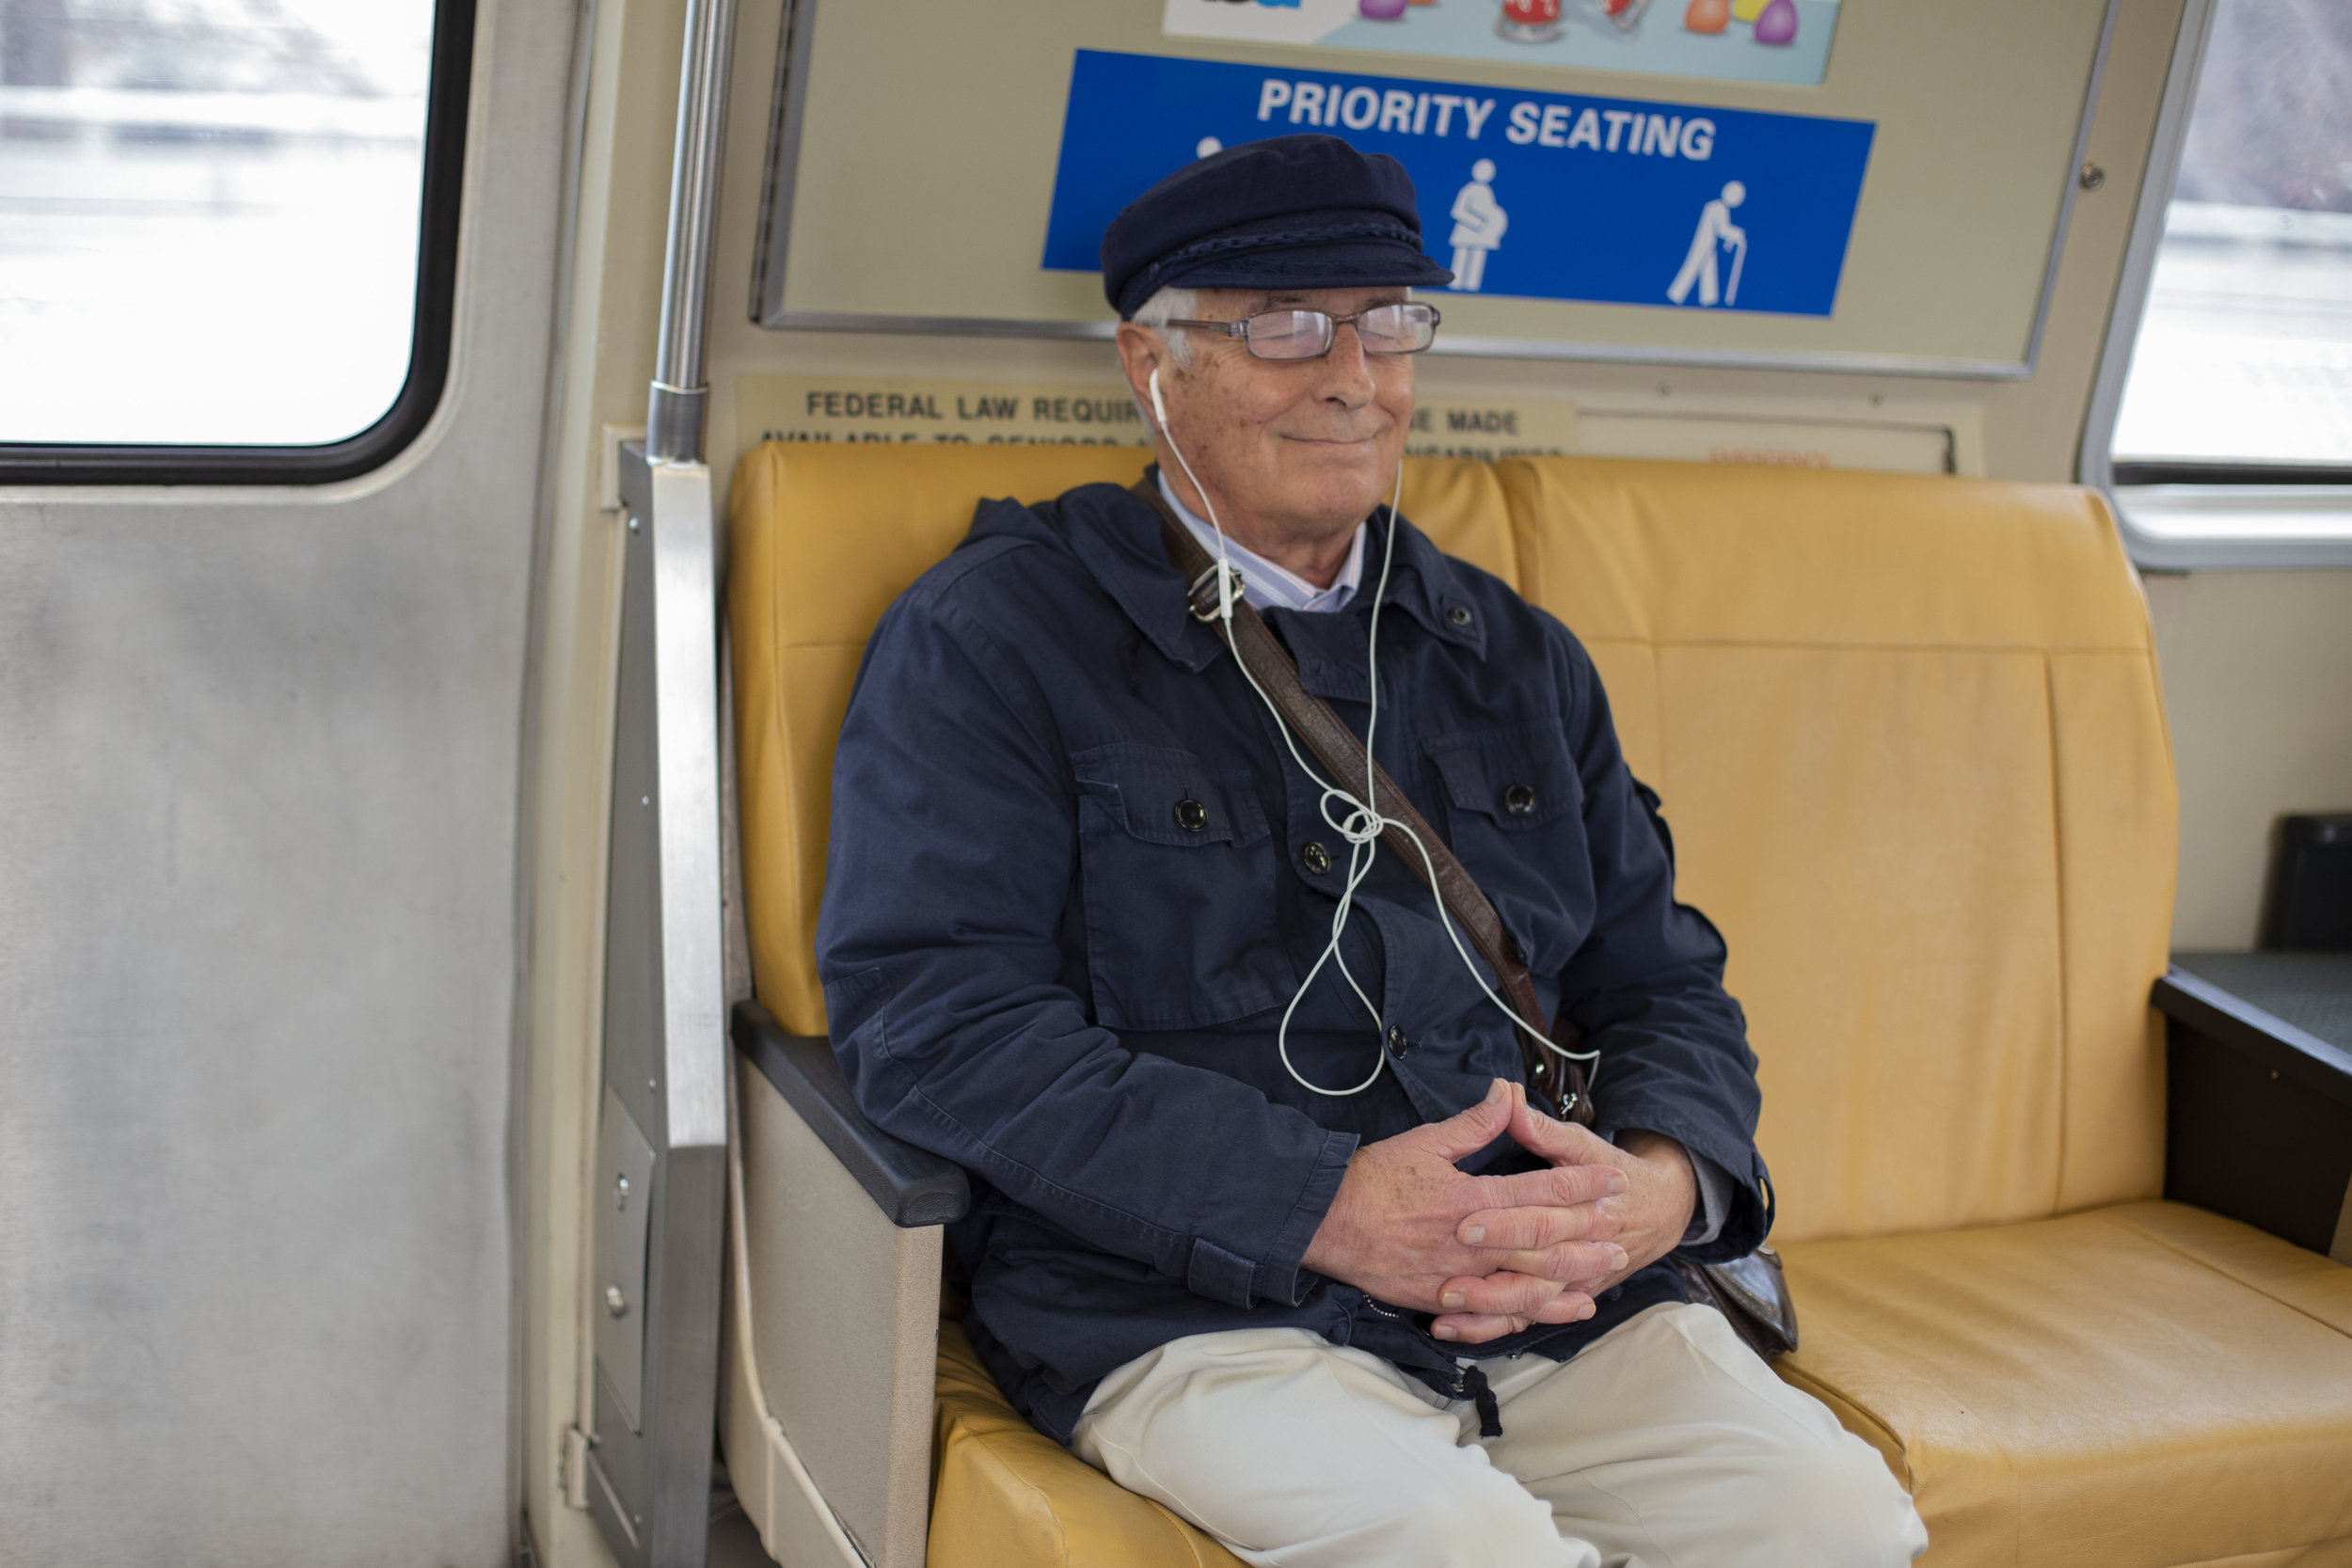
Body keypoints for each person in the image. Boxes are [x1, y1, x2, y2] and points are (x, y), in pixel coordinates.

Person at [817, 134, 1925, 1567]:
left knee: (1838, 1527)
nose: (1352, 374)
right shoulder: (994, 641)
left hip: (1552, 1300)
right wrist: (1317, 1202)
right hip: (1192, 1304)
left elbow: (1664, 977)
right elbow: (939, 1030)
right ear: (1151, 365)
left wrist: (1660, 1183)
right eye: (1283, 328)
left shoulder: (1511, 652)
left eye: (1388, 321)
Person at [1448, 158, 1507, 293]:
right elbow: (1457, 211)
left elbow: (1490, 212)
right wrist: (1477, 224)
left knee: (1475, 266)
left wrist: (1489, 226)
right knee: (1460, 264)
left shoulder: (1487, 191)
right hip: (1467, 230)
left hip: (1481, 235)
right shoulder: (1468, 189)